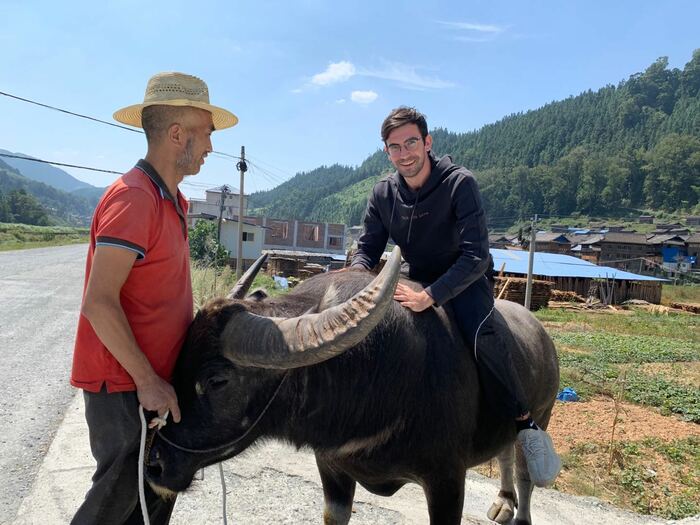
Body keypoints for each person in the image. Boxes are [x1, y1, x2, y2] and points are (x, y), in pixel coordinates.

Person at [350, 106, 561, 487]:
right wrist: (352, 283)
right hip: (414, 276)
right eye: (394, 147)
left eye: (411, 142)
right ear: (387, 152)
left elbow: (477, 255)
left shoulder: (459, 183)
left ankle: (522, 421)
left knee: (482, 336)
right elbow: (367, 248)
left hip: (464, 278)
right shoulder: (384, 193)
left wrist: (432, 296)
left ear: (427, 143)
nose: (404, 153)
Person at [70, 72, 238, 524]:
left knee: (150, 504)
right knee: (114, 505)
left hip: (154, 388)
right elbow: (98, 302)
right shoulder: (134, 199)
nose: (210, 146)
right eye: (206, 133)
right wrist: (147, 380)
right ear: (177, 133)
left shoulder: (172, 202)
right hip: (125, 387)